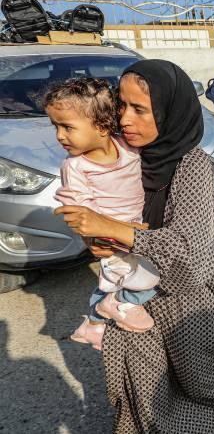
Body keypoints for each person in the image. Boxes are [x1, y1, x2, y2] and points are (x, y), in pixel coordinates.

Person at [54, 60, 214, 434]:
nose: (125, 119)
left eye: (140, 109)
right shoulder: (131, 158)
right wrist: (99, 238)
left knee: (204, 380)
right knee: (141, 380)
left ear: (170, 110)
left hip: (186, 300)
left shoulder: (192, 168)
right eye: (121, 105)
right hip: (136, 291)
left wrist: (109, 228)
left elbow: (189, 257)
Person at [44, 78, 157, 349]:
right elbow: (80, 209)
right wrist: (97, 237)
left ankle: (94, 324)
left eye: (67, 127)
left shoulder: (128, 148)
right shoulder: (76, 167)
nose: (60, 135)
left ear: (102, 126)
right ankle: (120, 305)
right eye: (56, 127)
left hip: (135, 230)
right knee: (148, 277)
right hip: (111, 236)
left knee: (119, 279)